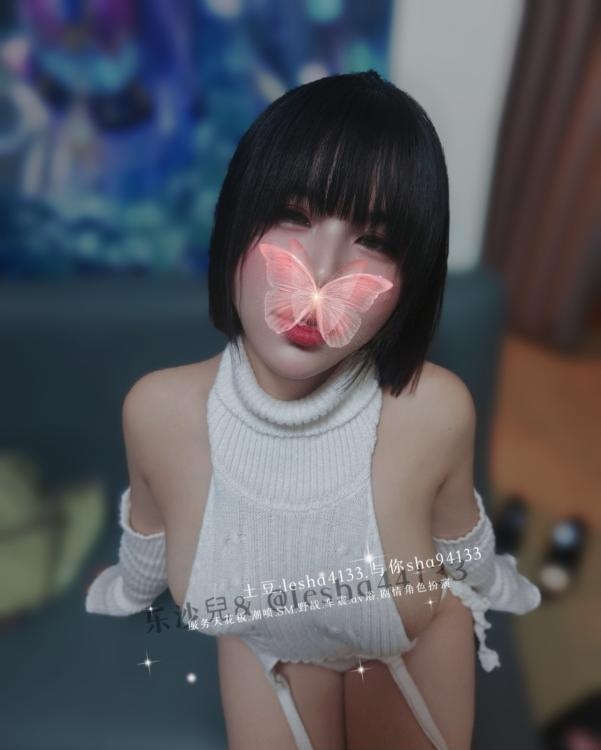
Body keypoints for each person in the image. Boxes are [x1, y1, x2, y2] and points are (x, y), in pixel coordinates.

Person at [85, 70, 541, 750]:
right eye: (292, 216)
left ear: (409, 282)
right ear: (235, 221)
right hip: (263, 644)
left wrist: (498, 583)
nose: (323, 272)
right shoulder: (156, 410)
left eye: (375, 241)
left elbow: (459, 537)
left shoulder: (436, 408)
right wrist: (127, 590)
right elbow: (148, 539)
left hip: (410, 641)